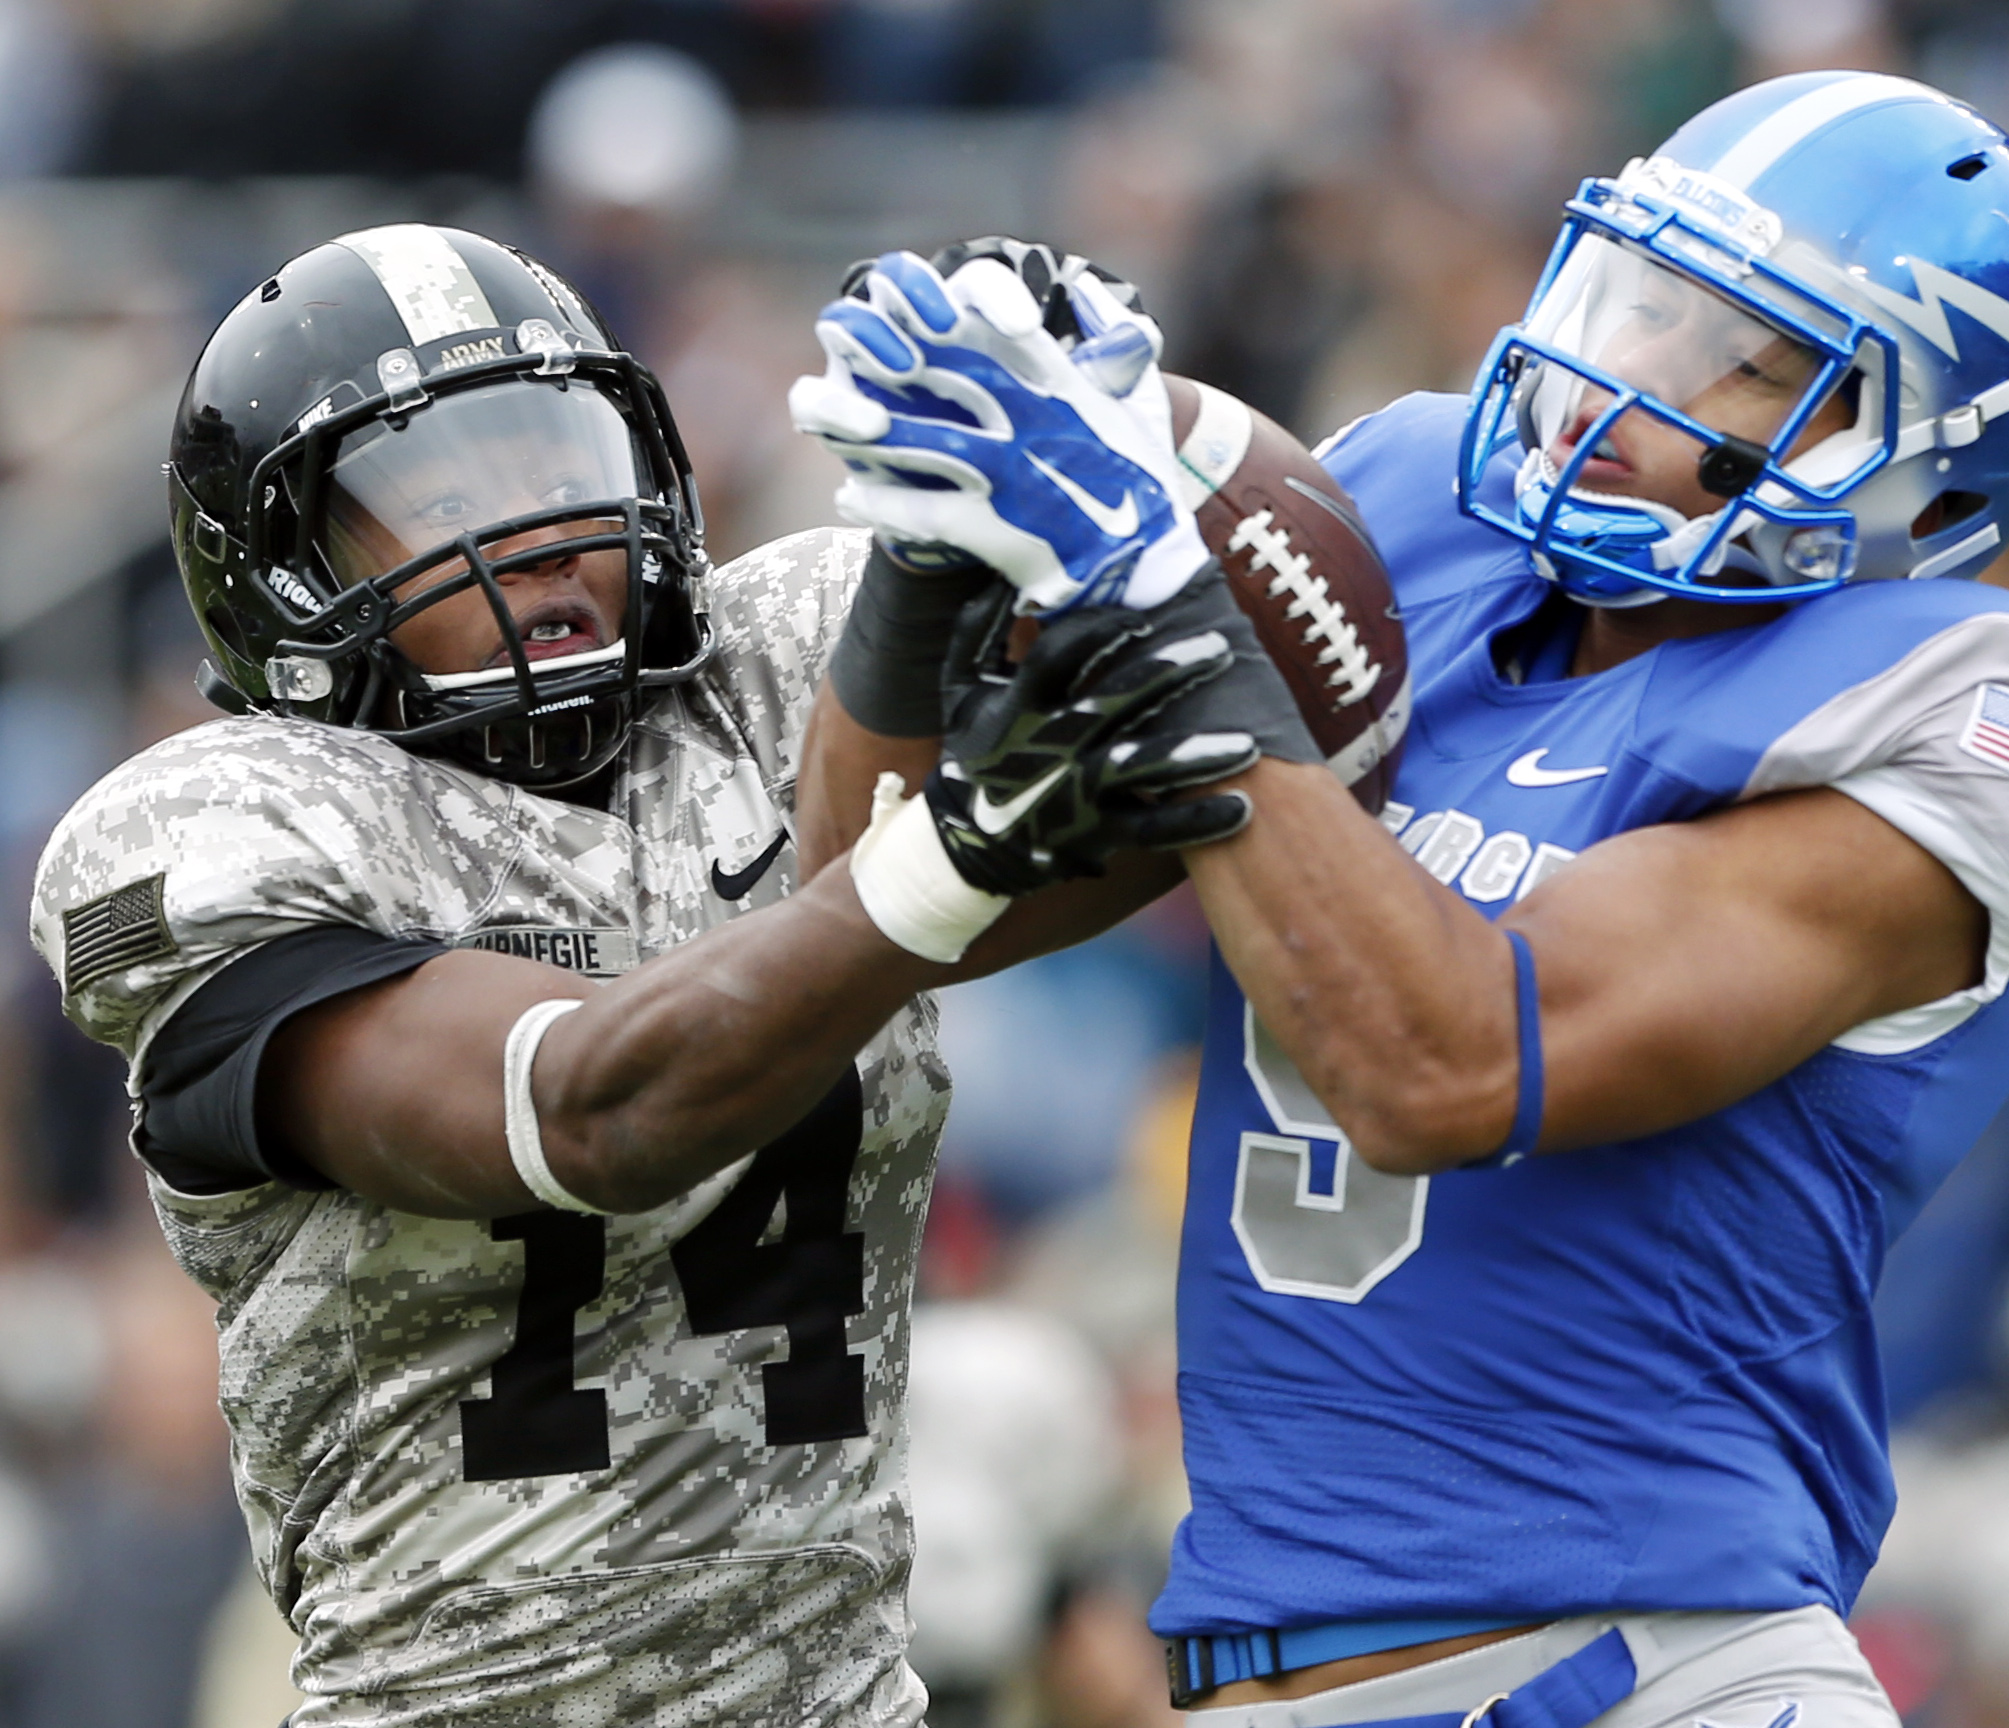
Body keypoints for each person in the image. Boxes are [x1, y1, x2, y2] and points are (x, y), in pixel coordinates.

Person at [789, 72, 2009, 1728]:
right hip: (1257, 1665)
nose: (1628, 384)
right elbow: (878, 894)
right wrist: (938, 544)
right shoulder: (1421, 509)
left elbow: (1447, 1061)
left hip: (1646, 1669)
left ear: (1936, 484)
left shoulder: (1977, 704)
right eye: (1641, 305)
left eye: (1741, 361)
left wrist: (1168, 621)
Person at [26, 224, 1249, 1725]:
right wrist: (935, 863)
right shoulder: (220, 831)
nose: (538, 530)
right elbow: (593, 1111)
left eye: (560, 463)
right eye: (440, 500)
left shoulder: (774, 663)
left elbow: (1259, 688)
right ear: (279, 580)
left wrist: (1161, 433)